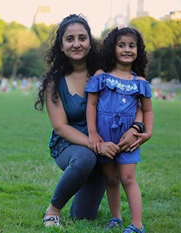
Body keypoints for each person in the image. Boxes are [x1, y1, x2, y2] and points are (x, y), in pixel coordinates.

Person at [34, 14, 143, 228]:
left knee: (83, 216)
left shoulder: (106, 74)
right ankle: (52, 210)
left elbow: (137, 101)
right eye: (70, 39)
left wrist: (136, 127)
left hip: (103, 149)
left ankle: (80, 184)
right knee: (85, 158)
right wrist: (96, 145)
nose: (76, 44)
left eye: (82, 38)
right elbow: (60, 126)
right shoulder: (54, 82)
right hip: (70, 145)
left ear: (90, 42)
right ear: (61, 45)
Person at [85, 26, 153, 233]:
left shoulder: (140, 82)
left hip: (129, 138)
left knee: (128, 178)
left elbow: (147, 111)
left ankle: (137, 225)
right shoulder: (101, 76)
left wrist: (147, 132)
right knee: (111, 179)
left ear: (138, 51)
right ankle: (116, 218)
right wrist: (93, 133)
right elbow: (91, 105)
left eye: (132, 46)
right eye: (121, 45)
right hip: (104, 135)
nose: (127, 50)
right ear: (111, 49)